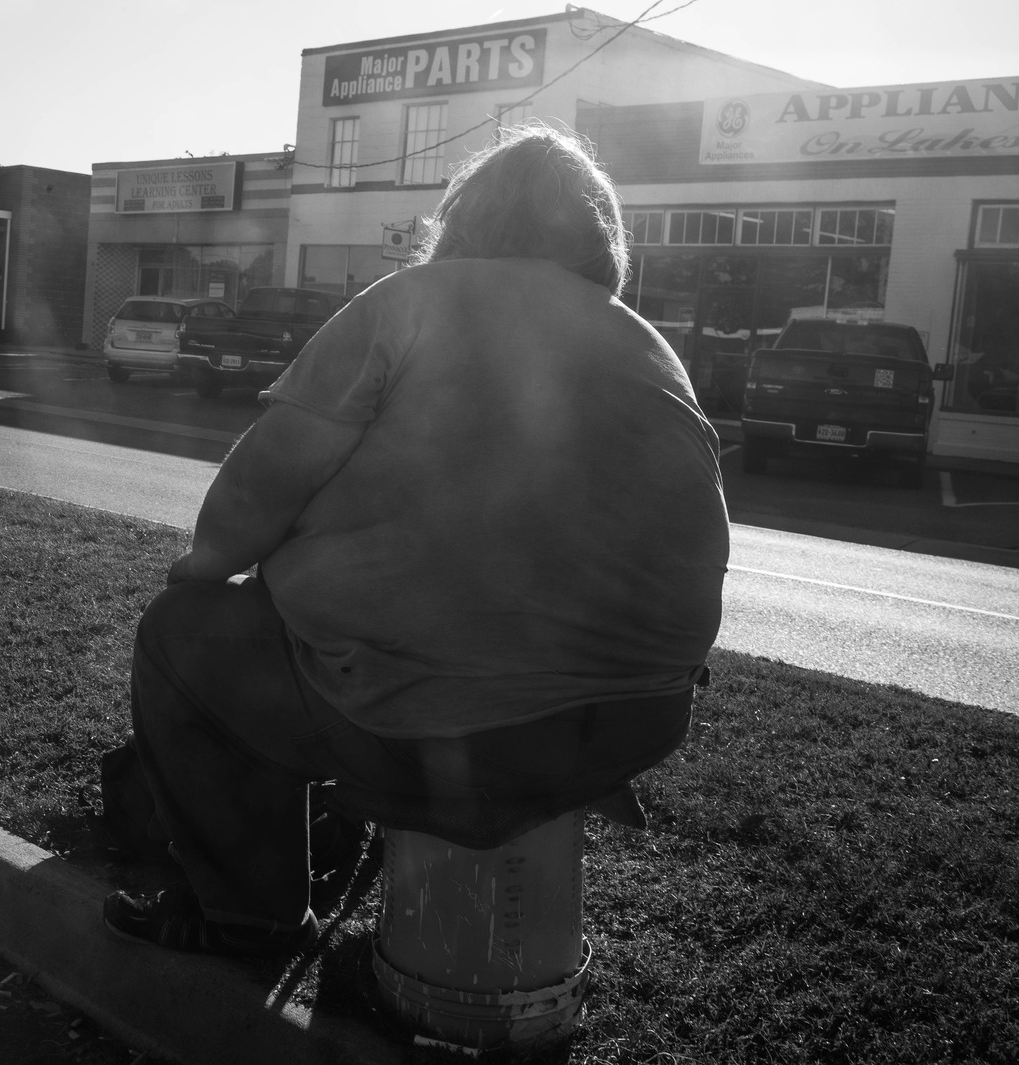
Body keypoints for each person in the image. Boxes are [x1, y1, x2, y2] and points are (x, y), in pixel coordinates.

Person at [101, 125, 730, 958]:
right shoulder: (648, 346)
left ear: (463, 218)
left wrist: (204, 573)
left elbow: (247, 503)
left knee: (179, 638)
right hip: (636, 719)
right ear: (601, 239)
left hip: (443, 725)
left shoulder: (407, 304)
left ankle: (251, 918)